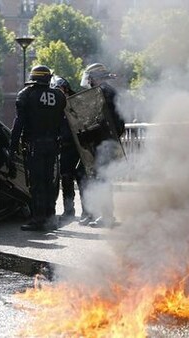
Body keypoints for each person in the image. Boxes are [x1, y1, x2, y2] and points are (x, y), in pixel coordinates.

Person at [9, 65, 67, 231]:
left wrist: (12, 147)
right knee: (50, 182)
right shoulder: (59, 96)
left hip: (34, 146)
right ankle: (50, 217)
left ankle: (38, 219)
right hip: (53, 146)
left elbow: (18, 123)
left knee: (36, 183)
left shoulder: (26, 94)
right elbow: (63, 122)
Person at [77, 63, 126, 227]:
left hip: (104, 142)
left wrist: (87, 135)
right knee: (101, 178)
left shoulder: (103, 93)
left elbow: (100, 122)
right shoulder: (109, 91)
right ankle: (103, 214)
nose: (89, 81)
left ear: (96, 78)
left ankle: (106, 217)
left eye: (90, 78)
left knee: (103, 179)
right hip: (106, 141)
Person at [50, 76, 81, 222]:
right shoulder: (55, 107)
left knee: (82, 178)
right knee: (66, 178)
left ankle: (89, 211)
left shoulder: (75, 104)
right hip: (64, 147)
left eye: (60, 89)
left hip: (79, 146)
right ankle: (69, 210)